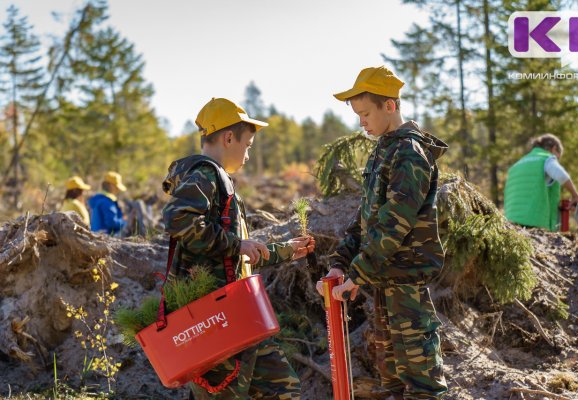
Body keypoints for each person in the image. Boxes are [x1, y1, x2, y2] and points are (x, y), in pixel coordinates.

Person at [162, 97, 315, 400]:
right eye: (248, 144)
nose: (248, 153)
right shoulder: (204, 174)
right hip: (214, 318)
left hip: (239, 316)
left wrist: (284, 250)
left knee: (283, 389)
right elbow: (178, 220)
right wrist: (237, 244)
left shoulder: (221, 181)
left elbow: (234, 256)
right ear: (229, 137)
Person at [316, 66, 448, 399]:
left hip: (406, 287)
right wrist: (340, 263)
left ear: (389, 105)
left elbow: (394, 224)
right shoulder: (384, 150)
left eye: (365, 113)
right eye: (358, 114)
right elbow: (366, 220)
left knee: (422, 386)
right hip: (384, 285)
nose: (361, 121)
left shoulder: (409, 154)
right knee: (392, 383)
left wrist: (358, 275)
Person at [504, 133, 578, 231]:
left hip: (510, 223)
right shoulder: (546, 159)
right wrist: (575, 195)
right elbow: (561, 175)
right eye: (558, 157)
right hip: (534, 224)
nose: (557, 161)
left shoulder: (516, 166)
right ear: (554, 148)